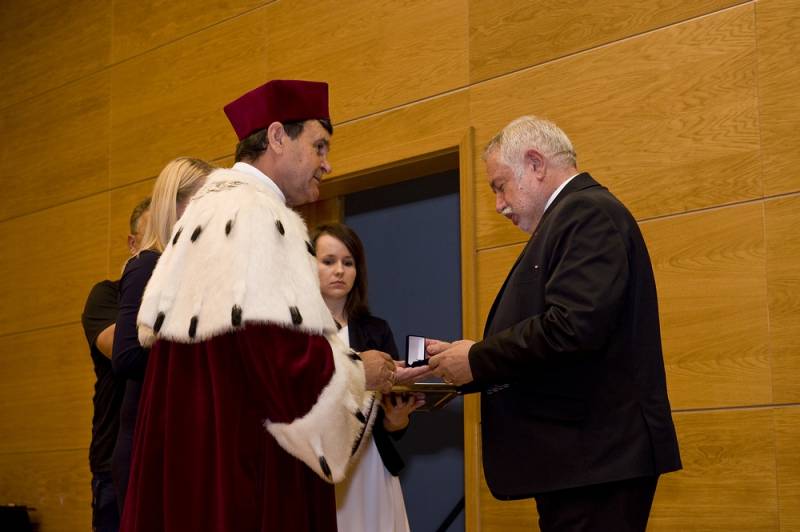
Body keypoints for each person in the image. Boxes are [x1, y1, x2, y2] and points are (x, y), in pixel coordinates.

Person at [121, 80, 415, 532]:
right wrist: (360, 372)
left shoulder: (207, 210)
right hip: (243, 467)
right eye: (319, 146)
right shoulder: (257, 215)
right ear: (277, 137)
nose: (326, 163)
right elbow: (279, 359)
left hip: (199, 457)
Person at [428, 116, 682, 531]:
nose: (499, 204)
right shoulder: (571, 217)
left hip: (596, 461)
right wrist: (456, 365)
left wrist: (477, 358)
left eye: (499, 186)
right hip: (583, 462)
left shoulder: (586, 213)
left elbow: (571, 328)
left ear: (535, 163)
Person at [111, 158, 213, 516]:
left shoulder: (194, 271)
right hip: (148, 444)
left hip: (179, 440)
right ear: (176, 205)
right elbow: (126, 355)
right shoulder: (146, 265)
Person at [312, 222, 423, 532]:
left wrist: (398, 420)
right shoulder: (297, 332)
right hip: (319, 463)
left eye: (348, 263)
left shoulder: (376, 330)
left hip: (372, 463)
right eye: (328, 261)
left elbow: (392, 417)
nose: (339, 270)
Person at [81, 197, 150, 532]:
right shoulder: (107, 295)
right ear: (133, 243)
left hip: (161, 454)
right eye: (151, 236)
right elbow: (122, 348)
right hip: (113, 461)